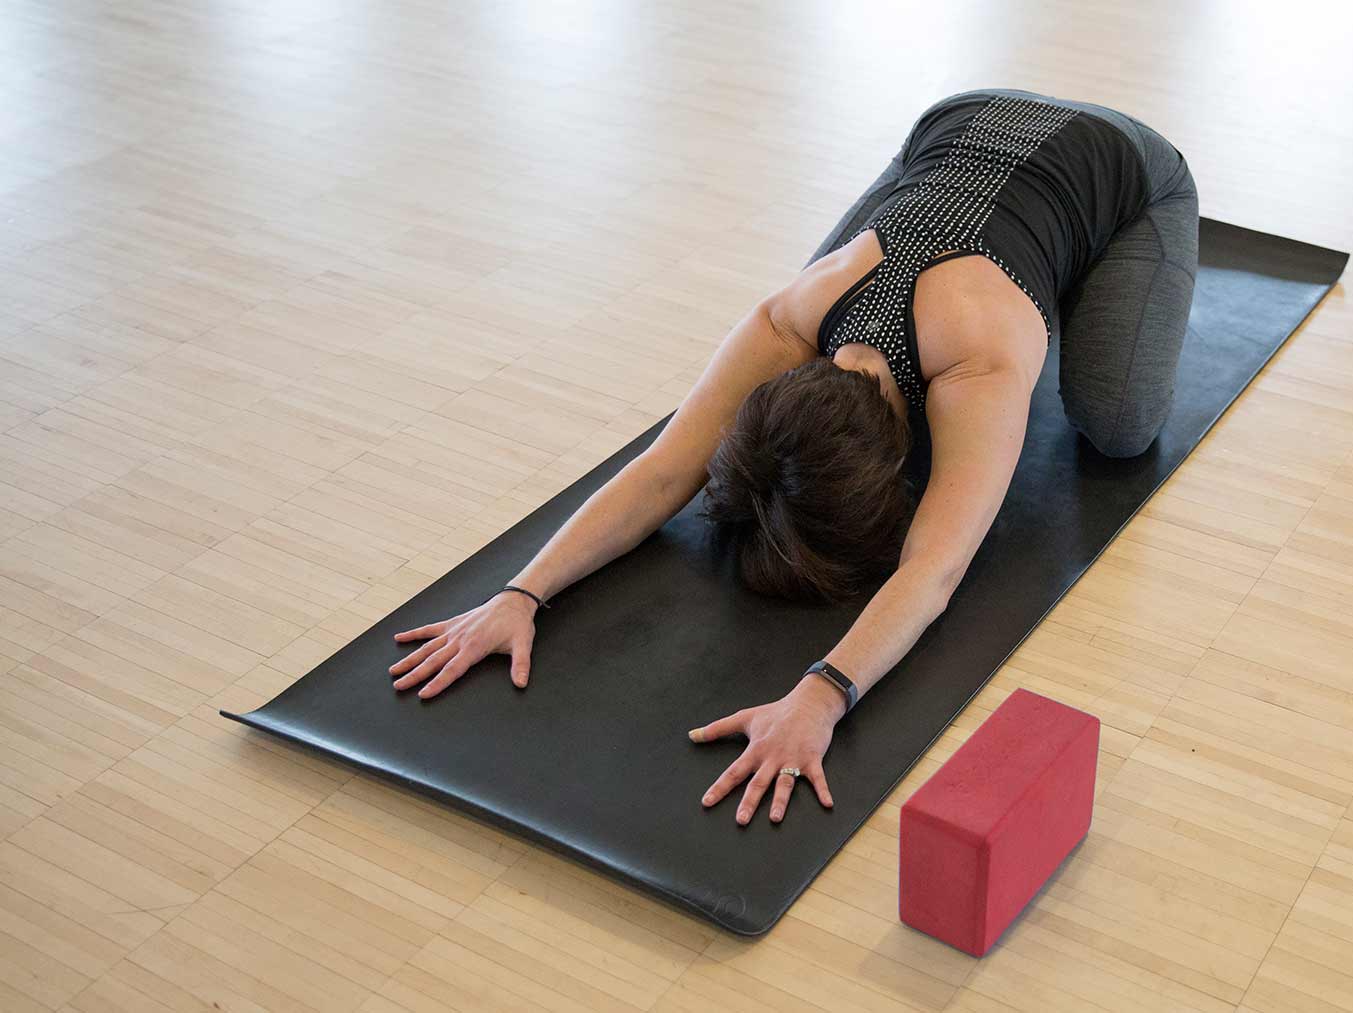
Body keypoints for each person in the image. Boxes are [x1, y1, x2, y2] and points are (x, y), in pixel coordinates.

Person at [387, 88, 1200, 826]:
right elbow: (669, 466)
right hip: (957, 124)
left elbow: (933, 569)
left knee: (1117, 426)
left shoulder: (980, 366)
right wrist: (521, 592)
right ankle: (1036, 257)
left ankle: (1086, 269)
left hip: (1120, 163)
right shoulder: (790, 318)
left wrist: (823, 694)